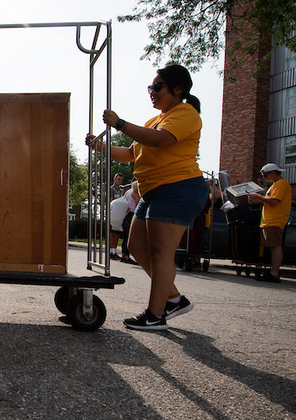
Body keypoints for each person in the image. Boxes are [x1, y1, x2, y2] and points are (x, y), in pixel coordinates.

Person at [86, 64, 209, 331]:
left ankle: (155, 315)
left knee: (160, 253)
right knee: (136, 246)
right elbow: (132, 154)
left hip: (178, 187)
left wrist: (120, 123)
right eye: (150, 87)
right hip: (153, 190)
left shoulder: (186, 113)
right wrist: (99, 146)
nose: (152, 91)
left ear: (178, 89)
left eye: (158, 86)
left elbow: (161, 140)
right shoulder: (155, 120)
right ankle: (174, 299)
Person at [248, 163, 291, 283]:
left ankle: (274, 273)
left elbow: (274, 201)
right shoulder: (275, 185)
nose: (264, 177)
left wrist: (258, 196)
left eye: (265, 175)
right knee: (273, 246)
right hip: (270, 221)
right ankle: (273, 272)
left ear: (272, 173)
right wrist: (257, 198)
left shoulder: (281, 184)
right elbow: (270, 201)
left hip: (275, 220)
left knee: (275, 246)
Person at [120, 181, 140, 263]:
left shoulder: (128, 192)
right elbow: (138, 204)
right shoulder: (135, 194)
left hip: (126, 215)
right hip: (132, 214)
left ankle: (123, 255)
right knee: (129, 237)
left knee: (125, 237)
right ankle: (127, 256)